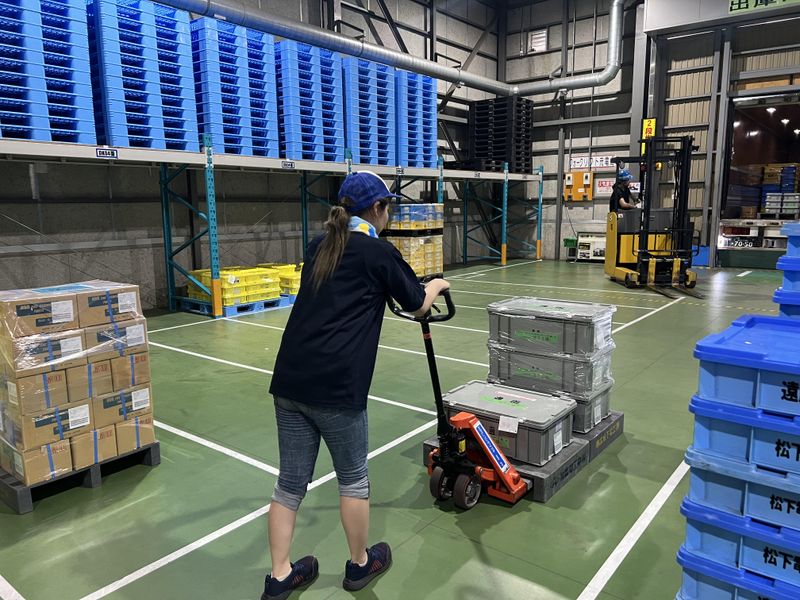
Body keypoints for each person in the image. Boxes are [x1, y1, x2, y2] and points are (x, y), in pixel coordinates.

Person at [262, 171, 451, 600]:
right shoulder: (376, 251)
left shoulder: (320, 245)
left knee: (289, 483)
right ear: (377, 209)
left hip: (290, 380)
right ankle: (360, 563)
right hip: (337, 387)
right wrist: (438, 284)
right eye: (388, 208)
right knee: (353, 479)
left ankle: (279, 576)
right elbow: (417, 303)